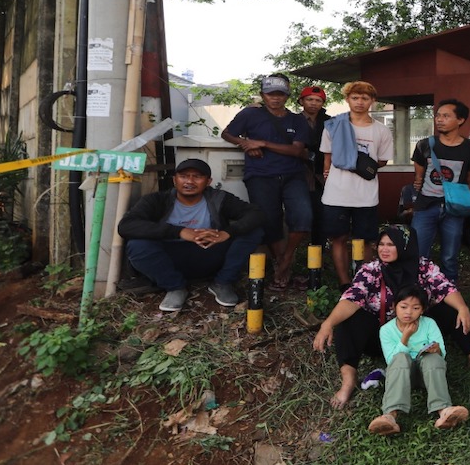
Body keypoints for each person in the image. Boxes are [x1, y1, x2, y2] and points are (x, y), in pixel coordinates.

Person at [313, 227, 470, 409]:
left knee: (452, 309)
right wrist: (328, 324)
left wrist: (462, 307)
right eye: (381, 244)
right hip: (384, 337)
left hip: (420, 335)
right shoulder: (372, 270)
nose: (384, 249)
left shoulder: (423, 267)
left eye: (391, 244)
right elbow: (352, 297)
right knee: (348, 320)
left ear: (405, 245)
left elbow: (446, 288)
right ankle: (349, 380)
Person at [119, 159, 265, 311]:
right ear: (175, 180)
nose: (189, 181)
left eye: (197, 176)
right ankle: (175, 287)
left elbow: (256, 214)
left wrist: (226, 233)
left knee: (254, 231)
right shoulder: (157, 200)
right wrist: (179, 232)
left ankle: (223, 283)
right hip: (170, 260)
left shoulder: (219, 198)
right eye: (183, 176)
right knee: (137, 244)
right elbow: (126, 225)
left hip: (209, 255)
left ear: (208, 181)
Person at [222, 74, 312, 291]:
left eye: (280, 94)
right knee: (269, 220)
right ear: (263, 95)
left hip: (292, 175)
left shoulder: (297, 120)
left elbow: (296, 150)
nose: (275, 98)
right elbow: (227, 133)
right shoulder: (250, 114)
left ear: (287, 96)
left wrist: (261, 143)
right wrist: (245, 143)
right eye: (271, 94)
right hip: (260, 176)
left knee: (303, 216)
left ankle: (286, 259)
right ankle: (280, 265)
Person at [368, 285, 469, 436]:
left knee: (432, 358)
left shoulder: (429, 324)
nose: (408, 312)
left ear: (422, 310)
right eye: (403, 307)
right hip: (401, 375)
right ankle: (390, 416)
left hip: (427, 374)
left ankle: (444, 410)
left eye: (415, 308)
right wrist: (405, 337)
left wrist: (437, 350)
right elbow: (391, 360)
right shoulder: (386, 330)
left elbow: (442, 352)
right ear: (394, 306)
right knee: (400, 357)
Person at [320, 81, 393, 286]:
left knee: (365, 240)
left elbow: (382, 160)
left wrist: (356, 163)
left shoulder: (382, 131)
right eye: (355, 97)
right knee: (338, 238)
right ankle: (345, 282)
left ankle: (363, 282)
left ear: (372, 101)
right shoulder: (334, 125)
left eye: (364, 98)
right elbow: (327, 156)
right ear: (347, 99)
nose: (359, 102)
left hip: (366, 195)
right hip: (336, 194)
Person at [410, 98, 470, 283]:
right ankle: (418, 289)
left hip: (454, 209)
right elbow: (419, 175)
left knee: (450, 256)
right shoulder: (425, 145)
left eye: (446, 116)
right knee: (418, 253)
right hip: (425, 206)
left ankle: (448, 291)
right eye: (438, 116)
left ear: (460, 120)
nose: (439, 119)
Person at [298, 85, 331, 246]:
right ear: (301, 101)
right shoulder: (293, 120)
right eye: (310, 99)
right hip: (298, 172)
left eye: (318, 100)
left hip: (321, 172)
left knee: (321, 212)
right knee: (300, 213)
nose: (313, 103)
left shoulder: (330, 122)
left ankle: (319, 249)